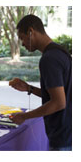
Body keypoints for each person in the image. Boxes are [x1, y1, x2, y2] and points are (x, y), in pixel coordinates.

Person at [9, 15, 72, 151]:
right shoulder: (60, 52)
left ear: (31, 32)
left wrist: (24, 116)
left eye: (22, 38)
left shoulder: (49, 59)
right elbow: (59, 93)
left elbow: (59, 102)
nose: (23, 44)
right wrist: (29, 88)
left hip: (64, 137)